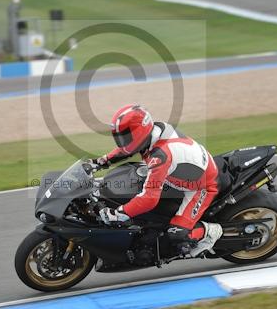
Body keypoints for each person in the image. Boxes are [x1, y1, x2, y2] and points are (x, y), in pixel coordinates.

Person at [94, 104, 223, 257]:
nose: (122, 142)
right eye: (120, 138)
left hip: (203, 185)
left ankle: (211, 231)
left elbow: (149, 199)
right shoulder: (154, 131)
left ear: (140, 131)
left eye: (126, 137)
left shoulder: (160, 155)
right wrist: (99, 162)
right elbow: (128, 148)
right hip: (182, 172)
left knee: (176, 234)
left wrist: (120, 213)